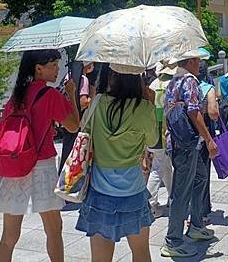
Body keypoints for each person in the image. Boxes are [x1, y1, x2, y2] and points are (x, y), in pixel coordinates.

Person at [0, 49, 79, 262]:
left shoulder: (15, 96)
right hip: (42, 164)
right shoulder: (50, 94)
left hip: (16, 165)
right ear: (38, 68)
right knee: (54, 229)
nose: (57, 69)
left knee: (9, 235)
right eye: (53, 64)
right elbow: (73, 126)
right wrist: (71, 93)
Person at [75, 63, 158, 262]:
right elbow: (153, 141)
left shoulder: (98, 102)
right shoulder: (144, 108)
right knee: (141, 252)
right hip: (134, 190)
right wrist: (150, 105)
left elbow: (83, 128)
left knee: (100, 258)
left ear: (112, 77)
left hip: (99, 190)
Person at [161, 52, 218, 259]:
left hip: (178, 142)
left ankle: (196, 224)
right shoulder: (190, 81)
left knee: (200, 178)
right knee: (182, 190)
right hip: (188, 144)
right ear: (192, 61)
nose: (200, 65)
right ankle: (173, 240)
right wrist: (210, 139)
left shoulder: (173, 81)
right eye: (199, 61)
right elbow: (194, 111)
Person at [146, 62, 175, 217]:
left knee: (165, 166)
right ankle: (149, 204)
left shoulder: (153, 84)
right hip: (166, 131)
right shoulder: (173, 83)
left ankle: (172, 197)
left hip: (153, 129)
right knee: (158, 168)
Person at [59, 62, 96, 173]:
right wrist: (92, 95)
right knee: (76, 156)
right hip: (78, 122)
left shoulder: (68, 76)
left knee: (66, 153)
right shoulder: (83, 79)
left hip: (66, 120)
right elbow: (83, 102)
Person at [198, 60, 219, 221]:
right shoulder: (207, 88)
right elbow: (213, 113)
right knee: (203, 174)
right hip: (204, 134)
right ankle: (203, 210)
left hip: (184, 137)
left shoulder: (182, 86)